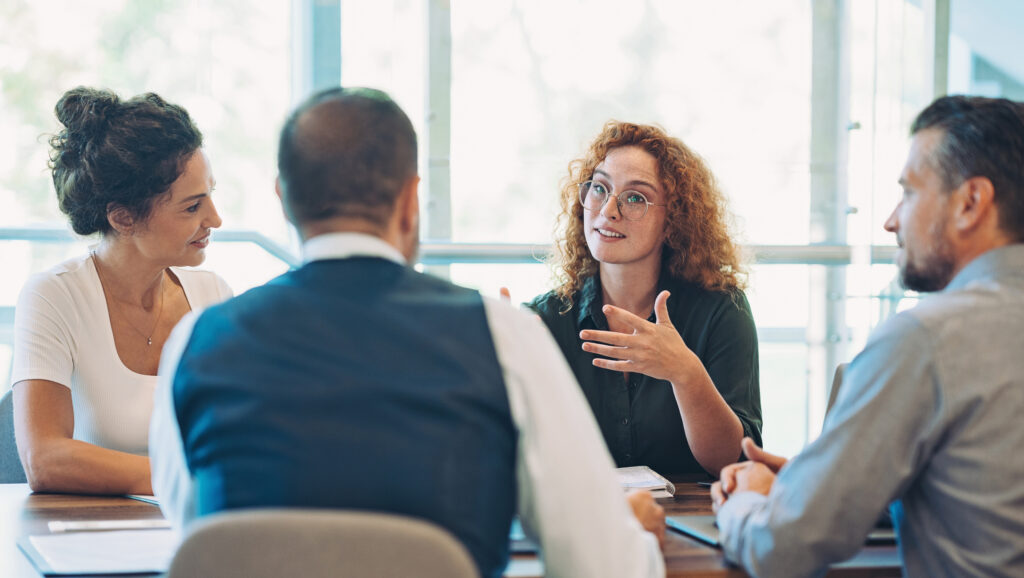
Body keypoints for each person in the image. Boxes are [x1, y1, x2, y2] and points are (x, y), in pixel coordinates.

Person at [150, 87, 666, 578]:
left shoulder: (196, 341)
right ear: (410, 197)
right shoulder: (500, 336)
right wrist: (633, 540)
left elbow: (197, 534)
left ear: (284, 198)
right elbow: (601, 567)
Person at [711, 95, 1024, 577]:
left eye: (910, 192)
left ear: (970, 203)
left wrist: (745, 502)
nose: (892, 220)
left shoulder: (928, 339)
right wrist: (828, 481)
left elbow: (782, 550)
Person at [11, 87, 230, 495]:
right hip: (92, 535)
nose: (214, 219)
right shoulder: (54, 296)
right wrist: (182, 479)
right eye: (191, 207)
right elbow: (44, 458)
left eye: (210, 197)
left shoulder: (214, 294)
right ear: (123, 217)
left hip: (194, 529)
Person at [525, 122, 761, 476]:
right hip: (586, 522)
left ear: (673, 221)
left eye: (635, 197)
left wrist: (686, 374)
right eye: (600, 189)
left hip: (694, 523)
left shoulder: (723, 311)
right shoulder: (545, 319)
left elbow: (736, 464)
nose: (608, 211)